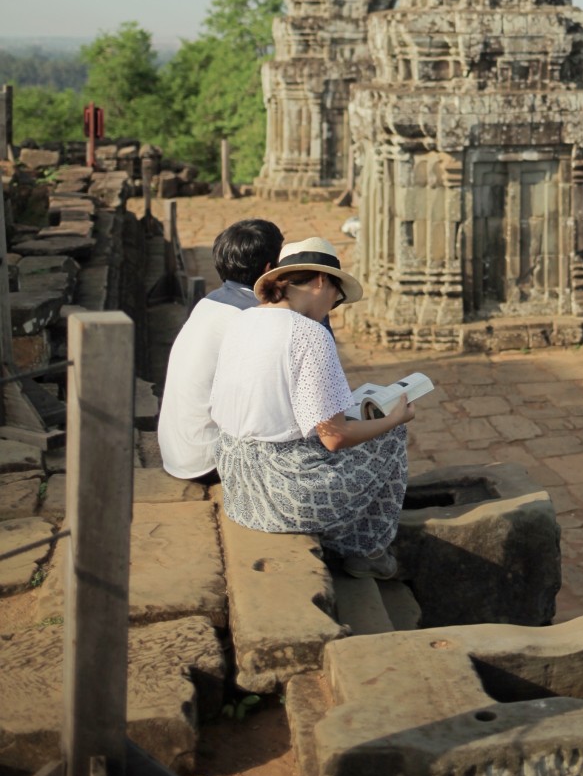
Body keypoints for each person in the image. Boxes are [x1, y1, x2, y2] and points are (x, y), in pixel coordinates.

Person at [210, 236, 413, 580]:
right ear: (321, 281)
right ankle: (366, 549)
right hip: (287, 495)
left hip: (238, 486)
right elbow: (335, 437)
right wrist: (394, 418)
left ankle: (348, 539)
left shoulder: (241, 320)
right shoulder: (309, 334)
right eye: (337, 295)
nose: (334, 304)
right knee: (391, 436)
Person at [158, 218, 283, 481]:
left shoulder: (210, 302)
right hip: (207, 460)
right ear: (270, 268)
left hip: (179, 451)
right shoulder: (251, 316)